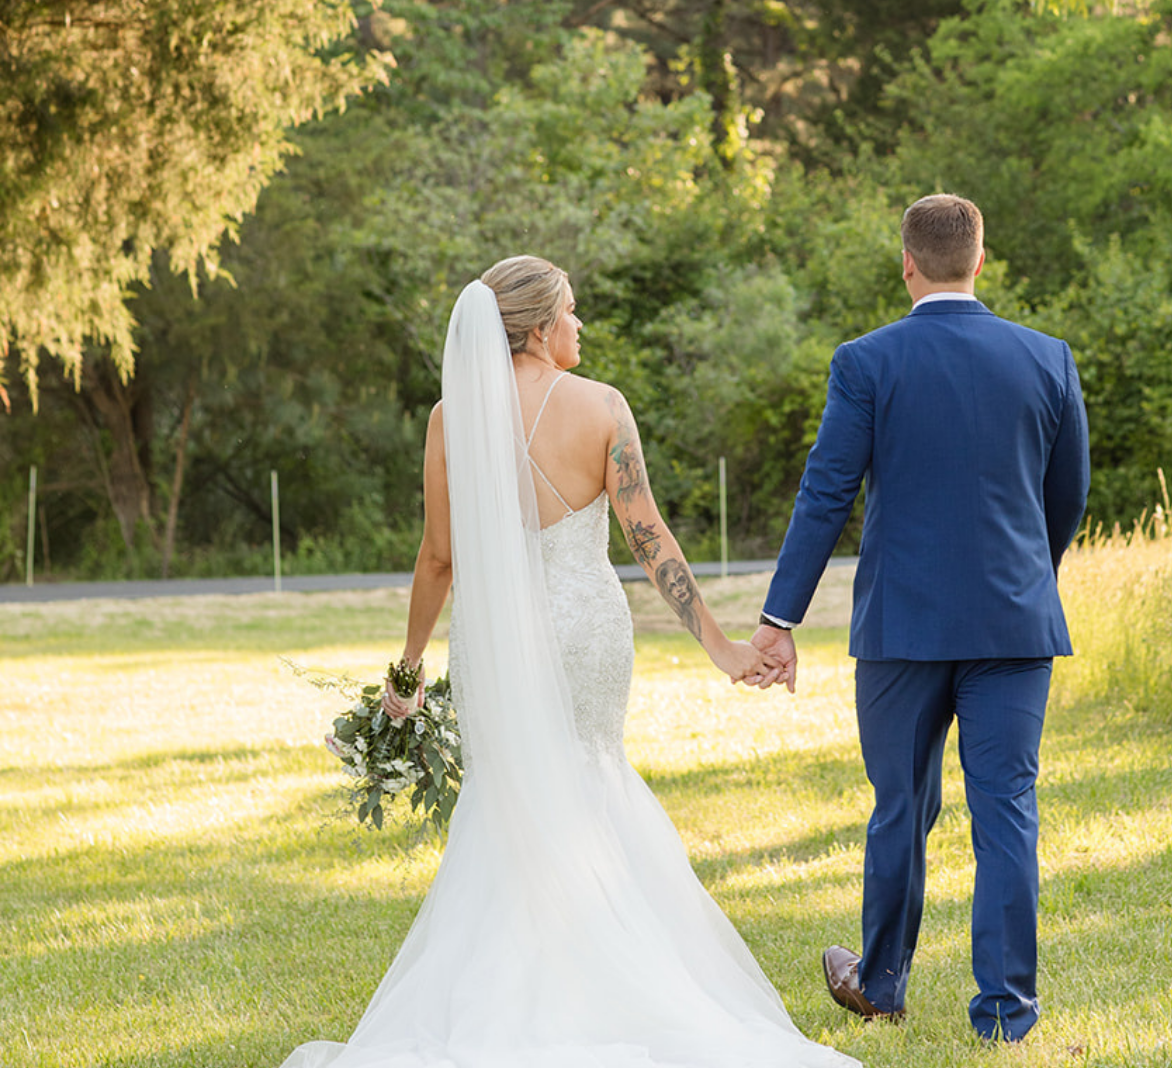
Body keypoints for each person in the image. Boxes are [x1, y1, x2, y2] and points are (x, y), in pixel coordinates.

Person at [282, 256, 858, 1068]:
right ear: (539, 327)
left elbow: (438, 560)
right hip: (588, 629)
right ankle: (614, 982)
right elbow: (647, 536)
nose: (581, 326)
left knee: (508, 796)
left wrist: (406, 673)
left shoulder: (453, 419)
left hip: (494, 643)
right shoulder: (602, 408)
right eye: (573, 313)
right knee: (593, 779)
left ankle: (514, 999)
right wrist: (722, 646)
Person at [751, 195, 1090, 1043]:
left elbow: (827, 490)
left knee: (901, 804)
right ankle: (1006, 1015)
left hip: (902, 628)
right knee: (1006, 807)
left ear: (907, 263)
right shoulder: (1047, 359)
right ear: (982, 259)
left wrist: (777, 617)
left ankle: (885, 984)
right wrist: (1024, 579)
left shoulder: (866, 362)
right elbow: (1068, 495)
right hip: (1015, 625)